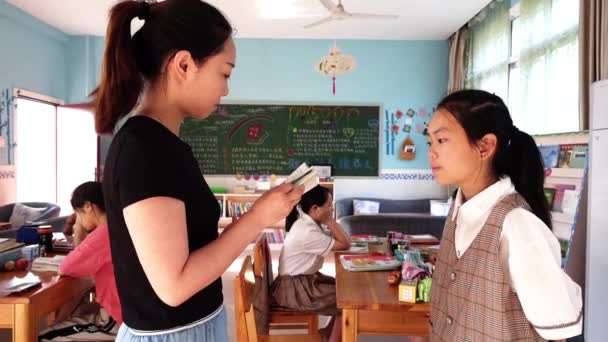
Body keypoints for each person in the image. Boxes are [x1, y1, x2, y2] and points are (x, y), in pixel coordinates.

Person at [93, 0, 303, 340]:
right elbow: (174, 286)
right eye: (225, 72)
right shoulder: (145, 149)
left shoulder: (162, 143)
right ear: (185, 64)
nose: (226, 88)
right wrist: (258, 218)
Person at [426, 89, 582, 341]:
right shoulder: (458, 210)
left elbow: (557, 334)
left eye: (442, 140)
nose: (432, 152)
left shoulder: (516, 224)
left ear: (485, 146)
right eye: (429, 142)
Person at [40, 182, 121, 341]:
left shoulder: (103, 234)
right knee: (75, 312)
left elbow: (66, 267)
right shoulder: (118, 227)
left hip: (116, 319)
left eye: (78, 213)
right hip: (128, 312)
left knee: (44, 337)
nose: (79, 218)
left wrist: (78, 229)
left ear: (88, 206)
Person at [271, 185, 351, 342]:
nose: (331, 209)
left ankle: (328, 336)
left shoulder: (307, 223)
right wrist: (329, 220)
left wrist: (327, 219)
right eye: (329, 205)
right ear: (315, 208)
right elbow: (345, 243)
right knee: (348, 300)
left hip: (301, 281)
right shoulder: (307, 231)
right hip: (294, 289)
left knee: (345, 289)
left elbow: (341, 239)